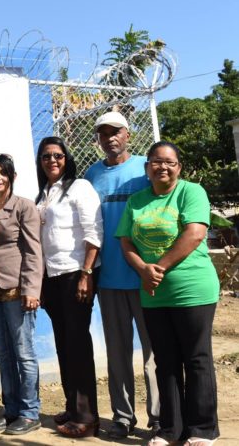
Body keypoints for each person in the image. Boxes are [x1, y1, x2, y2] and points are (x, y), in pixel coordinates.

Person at [117, 141, 220, 446]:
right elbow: (126, 243)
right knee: (166, 360)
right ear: (147, 167)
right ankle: (170, 430)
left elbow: (195, 233)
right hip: (153, 293)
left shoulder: (191, 192)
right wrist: (143, 270)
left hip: (193, 289)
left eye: (169, 162)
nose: (162, 167)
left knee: (197, 358)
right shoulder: (136, 200)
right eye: (156, 162)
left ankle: (202, 430)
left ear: (179, 167)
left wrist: (156, 268)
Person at [85, 111, 160, 439]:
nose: (110, 138)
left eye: (115, 132)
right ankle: (122, 417)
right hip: (109, 279)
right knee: (117, 354)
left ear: (128, 134)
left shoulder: (146, 169)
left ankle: (159, 417)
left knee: (153, 355)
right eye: (103, 133)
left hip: (145, 278)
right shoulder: (91, 175)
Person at [35, 136, 103, 438]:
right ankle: (72, 407)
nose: (53, 161)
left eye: (58, 155)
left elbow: (94, 232)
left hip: (77, 274)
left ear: (67, 158)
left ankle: (87, 417)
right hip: (53, 277)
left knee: (77, 344)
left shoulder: (79, 187)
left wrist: (87, 273)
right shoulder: (45, 193)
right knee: (64, 344)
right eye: (46, 156)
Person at [0, 154, 43, 435]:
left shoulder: (24, 207)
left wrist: (31, 289)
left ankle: (30, 412)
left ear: (12, 176)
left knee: (24, 353)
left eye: (3, 173)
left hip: (18, 290)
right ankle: (12, 408)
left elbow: (33, 251)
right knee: (3, 354)